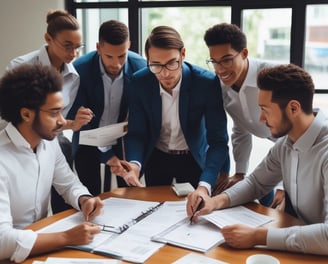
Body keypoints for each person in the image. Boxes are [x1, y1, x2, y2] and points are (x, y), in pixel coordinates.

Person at [187, 64, 328, 255]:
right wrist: (215, 202)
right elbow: (256, 183)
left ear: (293, 108)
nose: (261, 119)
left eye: (265, 109)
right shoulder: (286, 143)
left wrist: (258, 236)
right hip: (302, 248)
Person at [111, 26, 230, 201]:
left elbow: (218, 141)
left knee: (196, 213)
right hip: (157, 157)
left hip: (194, 158)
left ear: (183, 54)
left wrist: (206, 184)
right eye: (156, 65)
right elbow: (137, 133)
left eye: (171, 63)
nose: (165, 73)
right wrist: (135, 165)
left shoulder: (206, 83)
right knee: (156, 211)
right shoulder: (139, 82)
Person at [0, 64, 103, 262]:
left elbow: (68, 183)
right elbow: (2, 241)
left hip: (42, 248)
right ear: (27, 114)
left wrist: (84, 199)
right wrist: (66, 237)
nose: (63, 121)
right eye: (54, 113)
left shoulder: (49, 143)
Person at [3, 10, 95, 213]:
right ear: (48, 39)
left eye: (77, 48)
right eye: (67, 46)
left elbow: (70, 185)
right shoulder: (21, 67)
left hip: (50, 139)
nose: (73, 54)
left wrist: (85, 199)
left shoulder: (73, 75)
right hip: (20, 140)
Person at [203, 23, 284, 207]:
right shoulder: (219, 86)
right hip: (277, 151)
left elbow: (294, 135)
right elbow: (240, 129)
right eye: (214, 61)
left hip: (300, 152)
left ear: (244, 54)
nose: (220, 69)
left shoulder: (274, 77)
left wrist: (283, 186)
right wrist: (240, 172)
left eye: (226, 60)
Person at [67, 20, 147, 196]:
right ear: (98, 47)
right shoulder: (80, 69)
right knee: (89, 195)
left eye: (122, 56)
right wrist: (108, 154)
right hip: (87, 138)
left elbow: (140, 116)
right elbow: (77, 116)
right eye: (109, 56)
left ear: (129, 46)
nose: (116, 64)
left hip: (123, 140)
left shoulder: (140, 68)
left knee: (129, 196)